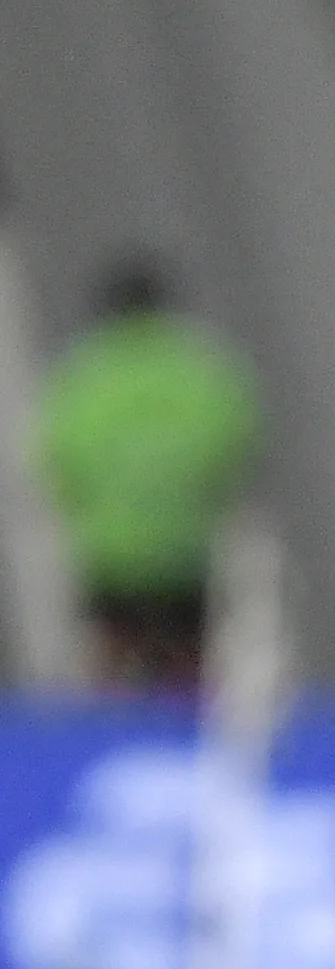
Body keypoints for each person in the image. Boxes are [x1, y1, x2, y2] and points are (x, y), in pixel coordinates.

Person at [32, 260, 258, 691]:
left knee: (111, 659)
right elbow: (233, 445)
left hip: (112, 555)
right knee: (188, 664)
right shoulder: (199, 372)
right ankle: (187, 722)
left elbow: (57, 459)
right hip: (183, 550)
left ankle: (108, 723)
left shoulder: (86, 377)